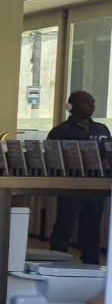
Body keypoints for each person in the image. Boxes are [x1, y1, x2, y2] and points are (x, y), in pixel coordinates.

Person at [49, 91, 110, 264]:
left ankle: (91, 263)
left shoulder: (101, 129)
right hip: (72, 187)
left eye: (93, 102)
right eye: (87, 103)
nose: (92, 106)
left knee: (92, 228)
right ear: (73, 106)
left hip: (97, 186)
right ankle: (56, 262)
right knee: (64, 226)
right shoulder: (61, 131)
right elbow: (52, 157)